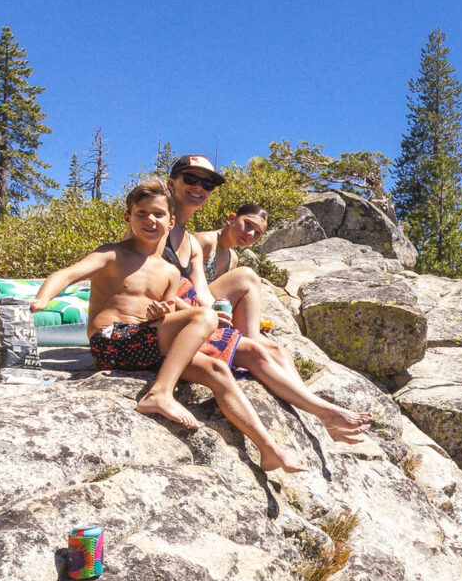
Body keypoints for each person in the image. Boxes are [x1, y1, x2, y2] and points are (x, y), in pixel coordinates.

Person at [29, 178, 304, 473]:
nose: (150, 220)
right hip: (109, 341)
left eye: (158, 214)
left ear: (170, 221)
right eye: (142, 213)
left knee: (217, 370)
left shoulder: (170, 271)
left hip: (144, 344)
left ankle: (268, 449)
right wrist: (43, 299)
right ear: (128, 217)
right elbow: (67, 274)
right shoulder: (113, 253)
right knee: (205, 316)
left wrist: (162, 312)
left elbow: (167, 310)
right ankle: (160, 393)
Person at [164, 155, 371, 444]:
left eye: (207, 184)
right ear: (231, 219)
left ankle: (314, 411)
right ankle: (321, 411)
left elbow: (202, 292)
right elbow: (167, 285)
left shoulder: (223, 254)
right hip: (177, 319)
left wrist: (216, 313)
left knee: (279, 351)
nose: (249, 234)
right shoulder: (195, 239)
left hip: (198, 313)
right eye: (191, 179)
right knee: (250, 286)